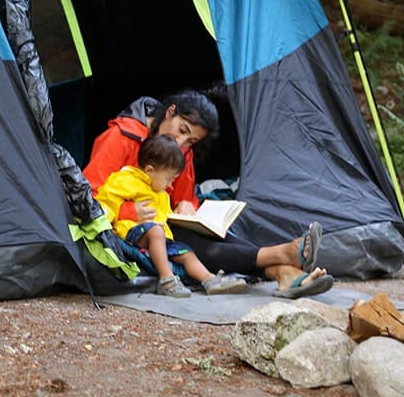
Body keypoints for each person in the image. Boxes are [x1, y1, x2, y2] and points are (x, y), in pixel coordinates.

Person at [83, 89, 334, 298]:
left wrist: (186, 206)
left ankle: (284, 272)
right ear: (170, 111)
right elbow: (87, 196)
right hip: (128, 230)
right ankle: (281, 255)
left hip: (163, 221)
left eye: (191, 141)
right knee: (187, 241)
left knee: (214, 232)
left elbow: (184, 196)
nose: (182, 144)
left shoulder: (182, 153)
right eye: (181, 130)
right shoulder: (121, 136)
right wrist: (130, 211)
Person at [95, 134, 249, 297]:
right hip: (131, 234)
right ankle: (166, 280)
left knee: (186, 252)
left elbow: (163, 214)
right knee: (156, 232)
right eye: (169, 179)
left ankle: (210, 280)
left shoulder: (161, 192)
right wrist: (106, 224)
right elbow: (106, 200)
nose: (170, 185)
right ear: (149, 170)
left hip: (161, 238)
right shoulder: (126, 180)